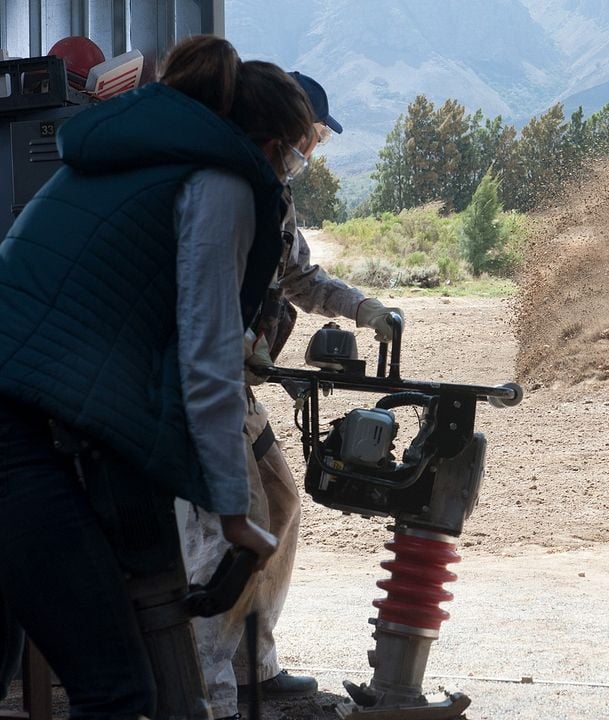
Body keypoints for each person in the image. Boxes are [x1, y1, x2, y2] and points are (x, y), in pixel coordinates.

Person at [0, 35, 313, 718]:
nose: (291, 164)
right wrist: (232, 512)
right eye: (295, 148)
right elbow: (206, 357)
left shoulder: (122, 156)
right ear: (266, 142)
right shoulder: (221, 183)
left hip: (19, 411)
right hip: (10, 431)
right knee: (118, 691)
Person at [182, 71, 403, 718]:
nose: (315, 151)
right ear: (284, 130)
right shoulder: (223, 193)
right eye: (311, 137)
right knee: (230, 530)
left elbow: (299, 275)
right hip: (210, 380)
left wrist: (363, 307)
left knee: (278, 501)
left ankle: (255, 664)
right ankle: (213, 690)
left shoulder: (273, 195)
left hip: (240, 381)